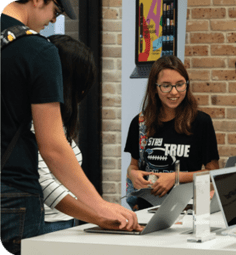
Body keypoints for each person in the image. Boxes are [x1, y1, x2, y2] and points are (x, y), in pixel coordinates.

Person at [1, 1, 141, 254]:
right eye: (55, 11)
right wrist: (99, 207)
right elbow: (53, 147)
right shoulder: (37, 49)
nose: (54, 21)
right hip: (12, 194)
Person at [125, 55, 220, 210]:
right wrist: (133, 174)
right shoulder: (141, 122)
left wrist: (176, 177)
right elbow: (133, 166)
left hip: (187, 209)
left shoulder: (201, 122)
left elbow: (213, 172)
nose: (174, 92)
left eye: (180, 84)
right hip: (147, 209)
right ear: (155, 87)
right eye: (166, 85)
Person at [32, 34, 94, 234]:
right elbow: (45, 186)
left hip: (64, 222)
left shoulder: (58, 120)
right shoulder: (35, 121)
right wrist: (99, 213)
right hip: (44, 224)